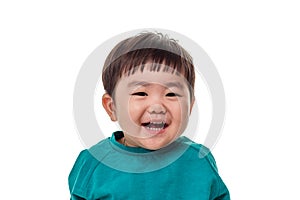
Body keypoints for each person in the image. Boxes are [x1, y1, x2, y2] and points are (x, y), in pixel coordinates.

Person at [68, 31, 230, 199]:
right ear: (112, 107)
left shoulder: (199, 160)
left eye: (171, 94)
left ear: (190, 106)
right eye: (140, 93)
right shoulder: (93, 162)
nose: (157, 107)